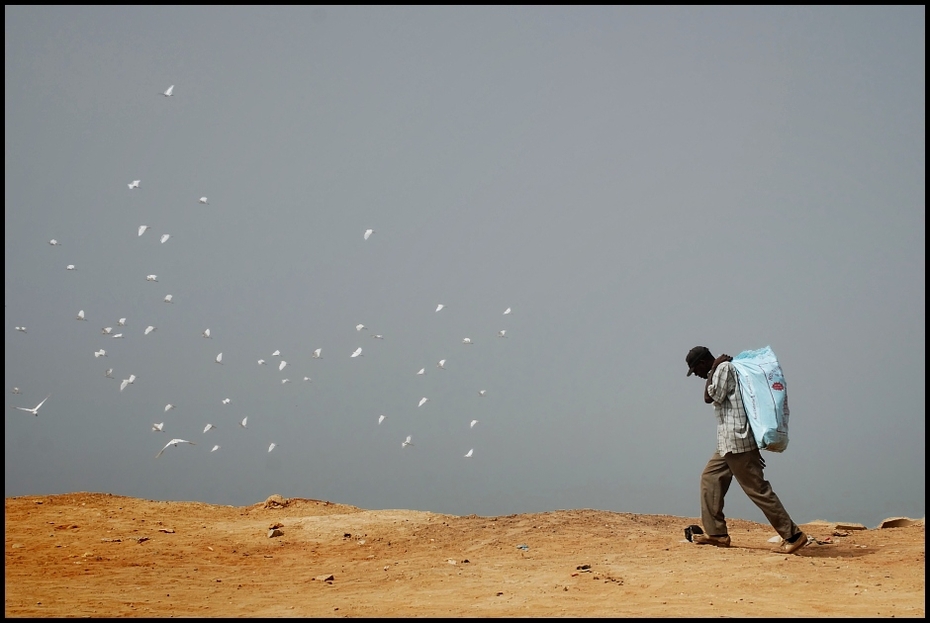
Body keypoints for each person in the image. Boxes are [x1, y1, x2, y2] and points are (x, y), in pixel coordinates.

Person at [685, 345, 808, 554]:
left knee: (757, 489)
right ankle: (717, 535)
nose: (696, 374)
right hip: (728, 443)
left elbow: (711, 397)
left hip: (737, 441)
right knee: (710, 478)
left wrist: (713, 369)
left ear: (704, 362)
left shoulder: (722, 369)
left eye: (695, 369)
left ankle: (793, 535)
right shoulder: (720, 369)